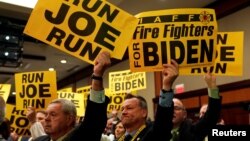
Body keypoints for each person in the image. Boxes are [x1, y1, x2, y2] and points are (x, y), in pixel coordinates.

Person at [34, 51, 111, 141]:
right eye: (46, 114)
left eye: (53, 114)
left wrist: (97, 75)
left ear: (69, 119)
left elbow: (94, 118)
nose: (46, 119)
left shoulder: (83, 138)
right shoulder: (39, 140)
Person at [119, 59, 179, 141]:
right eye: (122, 109)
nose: (123, 112)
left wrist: (167, 86)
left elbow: (163, 120)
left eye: (129, 108)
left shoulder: (153, 134)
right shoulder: (119, 139)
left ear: (144, 112)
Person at [171, 73, 222, 141]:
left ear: (184, 114)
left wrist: (212, 86)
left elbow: (211, 116)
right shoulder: (156, 130)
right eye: (169, 108)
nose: (171, 111)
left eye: (176, 108)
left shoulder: (192, 129)